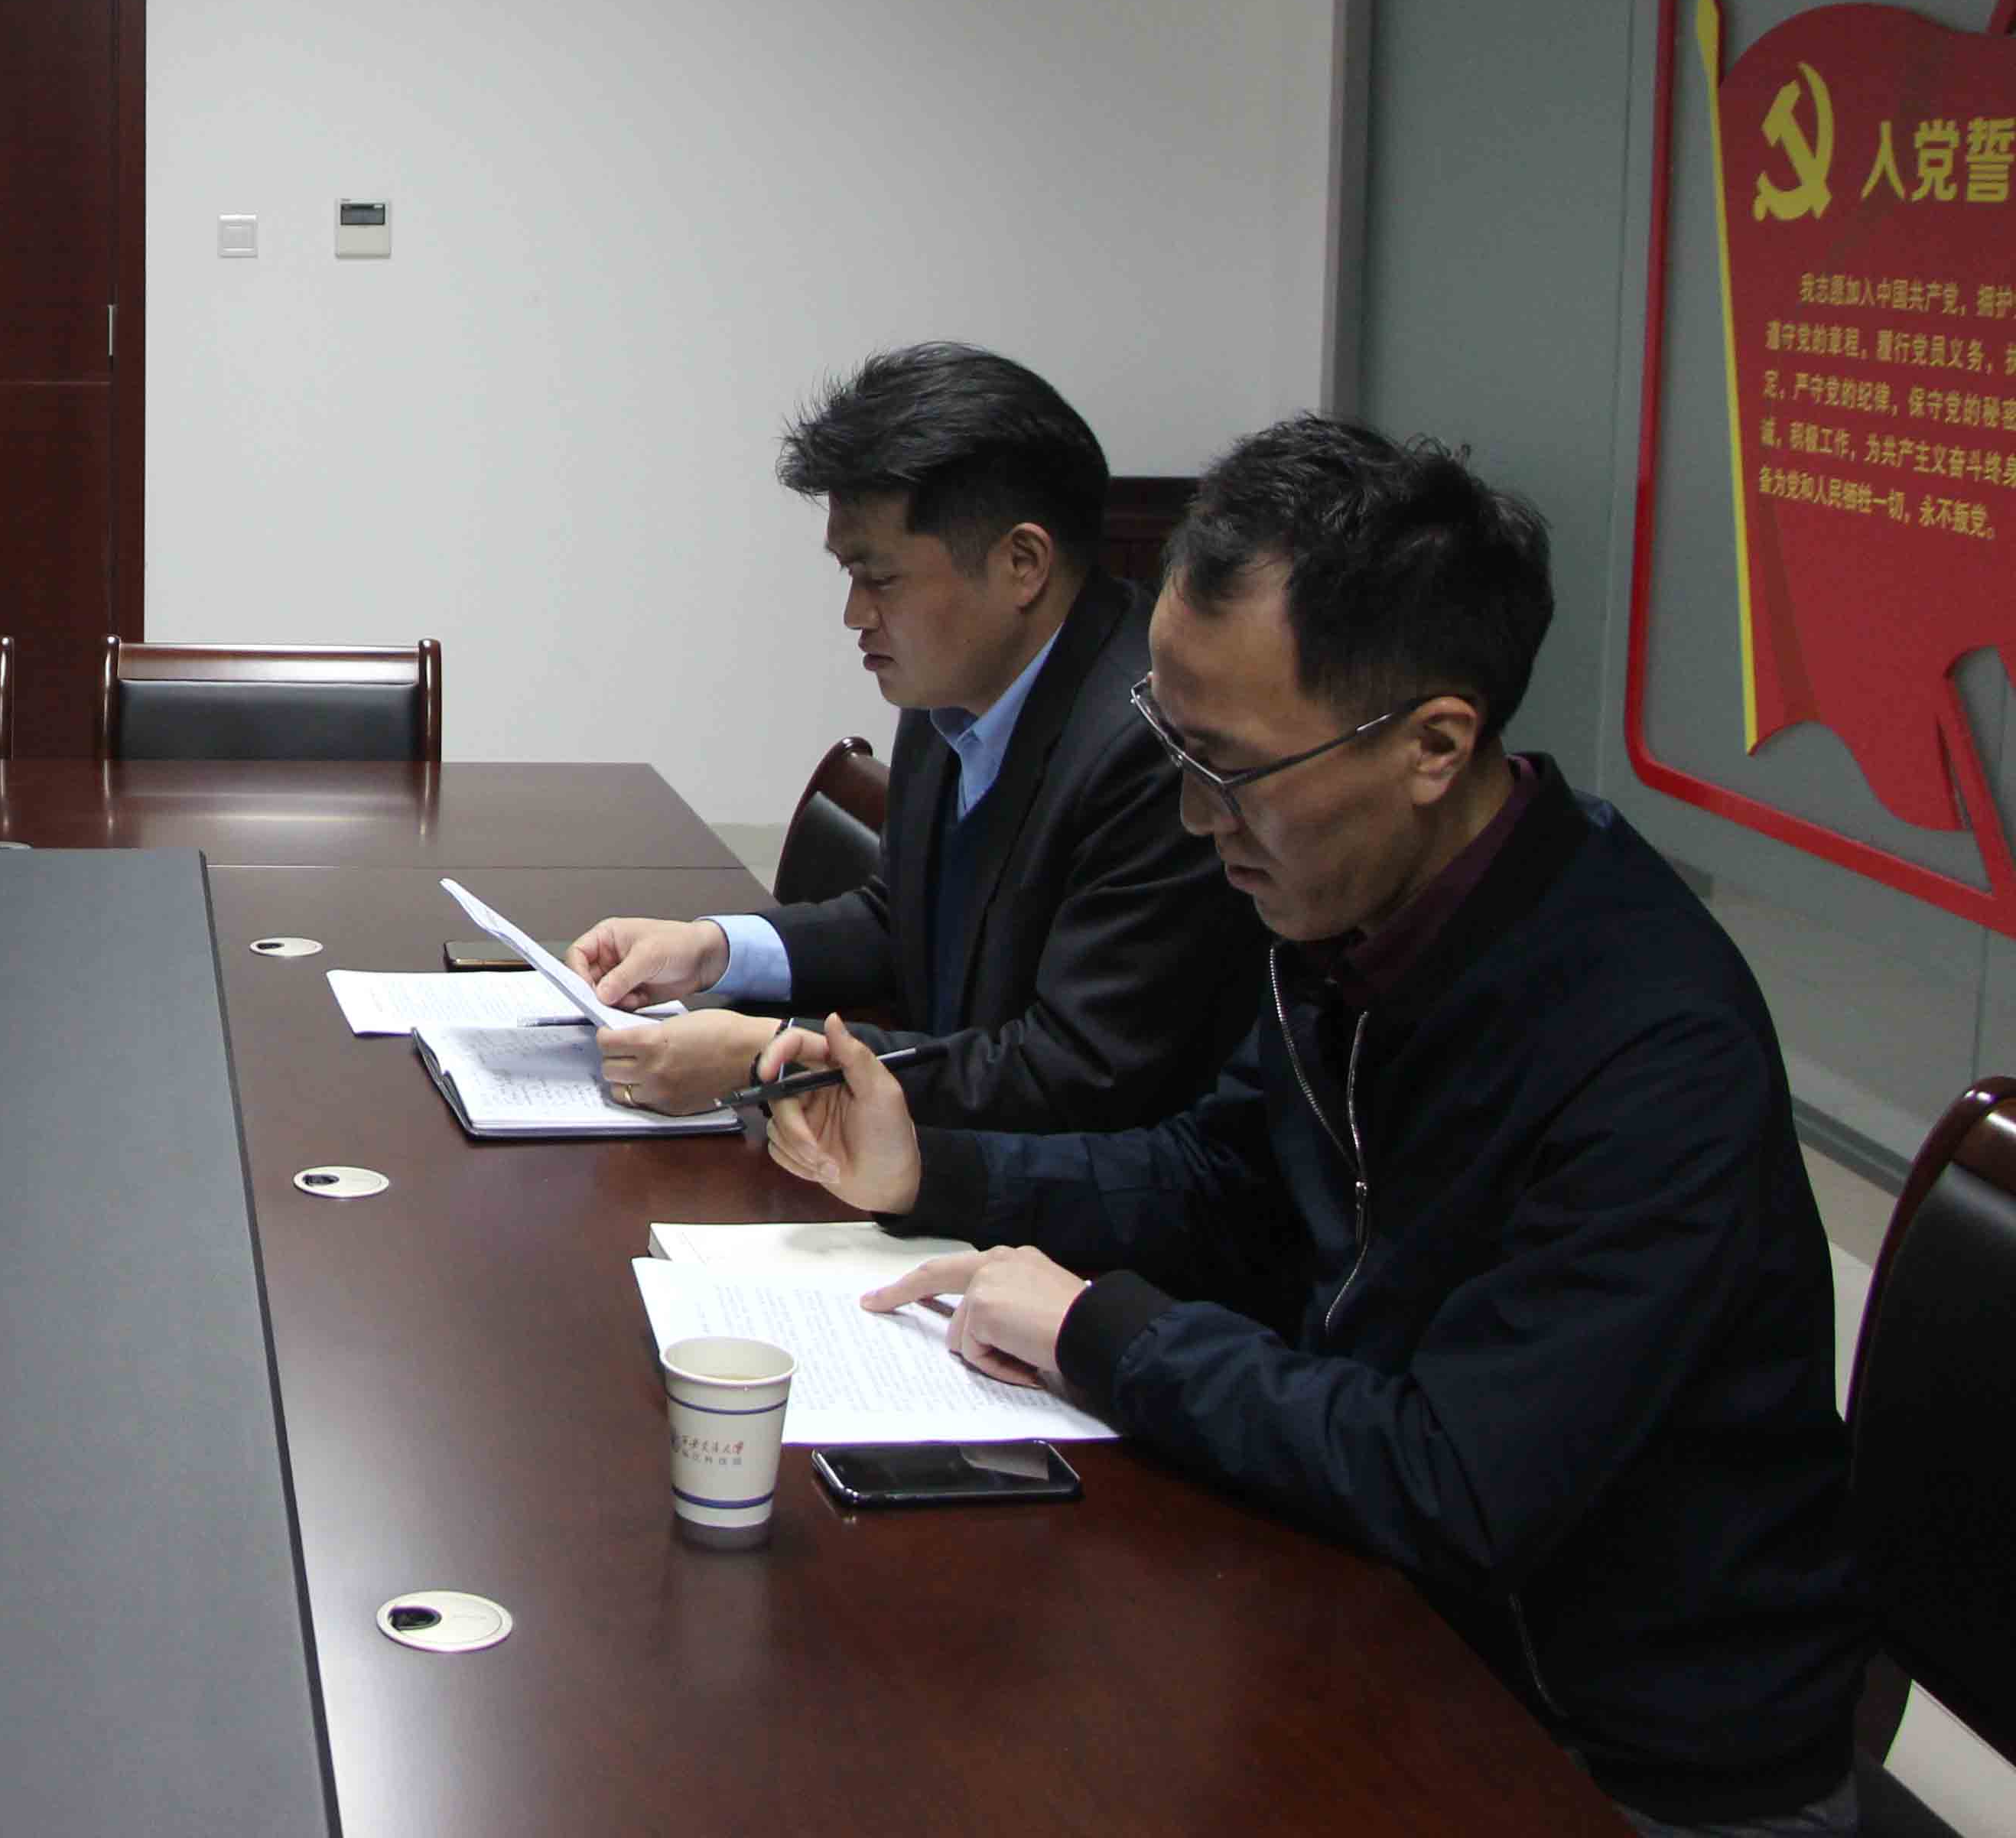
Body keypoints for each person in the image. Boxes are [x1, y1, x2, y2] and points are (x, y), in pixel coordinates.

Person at [758, 418, 1864, 1837]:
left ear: (1433, 745)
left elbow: (1454, 1481)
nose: (1189, 813)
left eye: (1227, 767)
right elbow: (1223, 1176)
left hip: (1610, 1755)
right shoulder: (1355, 907)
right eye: (1170, 740)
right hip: (1386, 1615)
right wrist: (936, 1167)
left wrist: (1105, 1331)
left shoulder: (1648, 1047)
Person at [574, 343, 1259, 1128]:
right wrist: (712, 950)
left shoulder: (1152, 746)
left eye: (881, 579)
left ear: (1023, 563)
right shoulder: (955, 688)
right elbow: (903, 920)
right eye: (850, 576)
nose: (855, 615)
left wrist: (778, 1059)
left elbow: (1073, 1073)